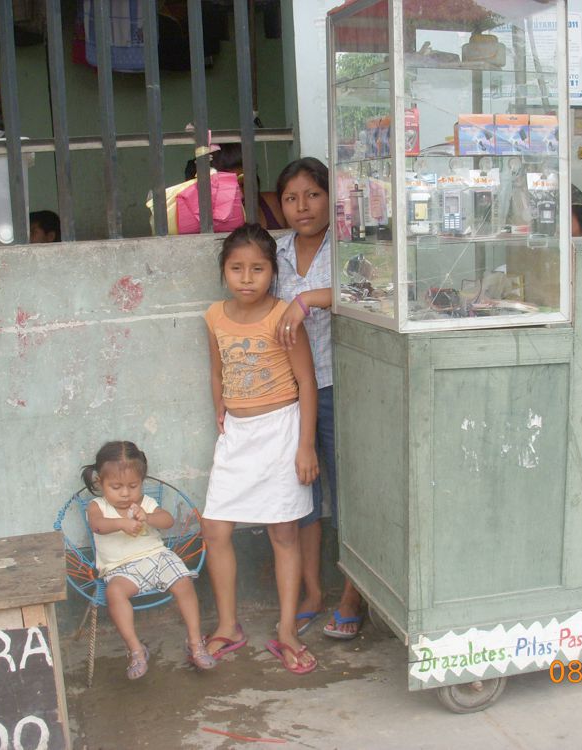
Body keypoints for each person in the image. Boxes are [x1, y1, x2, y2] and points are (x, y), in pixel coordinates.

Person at [202, 223, 320, 674]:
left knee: (283, 534)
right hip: (237, 435)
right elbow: (216, 371)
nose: (246, 278)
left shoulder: (283, 316)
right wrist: (220, 409)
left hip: (282, 431)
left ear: (273, 271)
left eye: (257, 268)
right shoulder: (215, 316)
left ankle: (286, 630)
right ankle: (228, 624)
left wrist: (305, 446)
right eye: (236, 268)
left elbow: (306, 381)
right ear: (224, 272)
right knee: (215, 529)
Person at [273, 157, 364, 641]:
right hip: (290, 395)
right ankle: (312, 593)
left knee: (348, 495)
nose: (302, 206)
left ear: (332, 198)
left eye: (312, 194)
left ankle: (354, 594)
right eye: (291, 197)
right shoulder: (278, 250)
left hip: (340, 387)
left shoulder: (349, 244)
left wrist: (310, 297)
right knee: (301, 499)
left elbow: (369, 292)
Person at [83, 440, 214, 680]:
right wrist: (121, 523)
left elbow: (168, 521)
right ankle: (136, 649)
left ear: (142, 482)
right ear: (100, 484)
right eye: (116, 486)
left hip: (157, 557)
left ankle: (195, 642)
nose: (125, 493)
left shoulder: (144, 503)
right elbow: (97, 526)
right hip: (120, 569)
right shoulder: (97, 506)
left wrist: (149, 517)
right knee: (114, 593)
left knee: (184, 581)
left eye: (133, 486)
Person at [185, 144, 287, 230]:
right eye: (229, 188)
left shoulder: (275, 204)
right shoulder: (199, 221)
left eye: (244, 185)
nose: (241, 195)